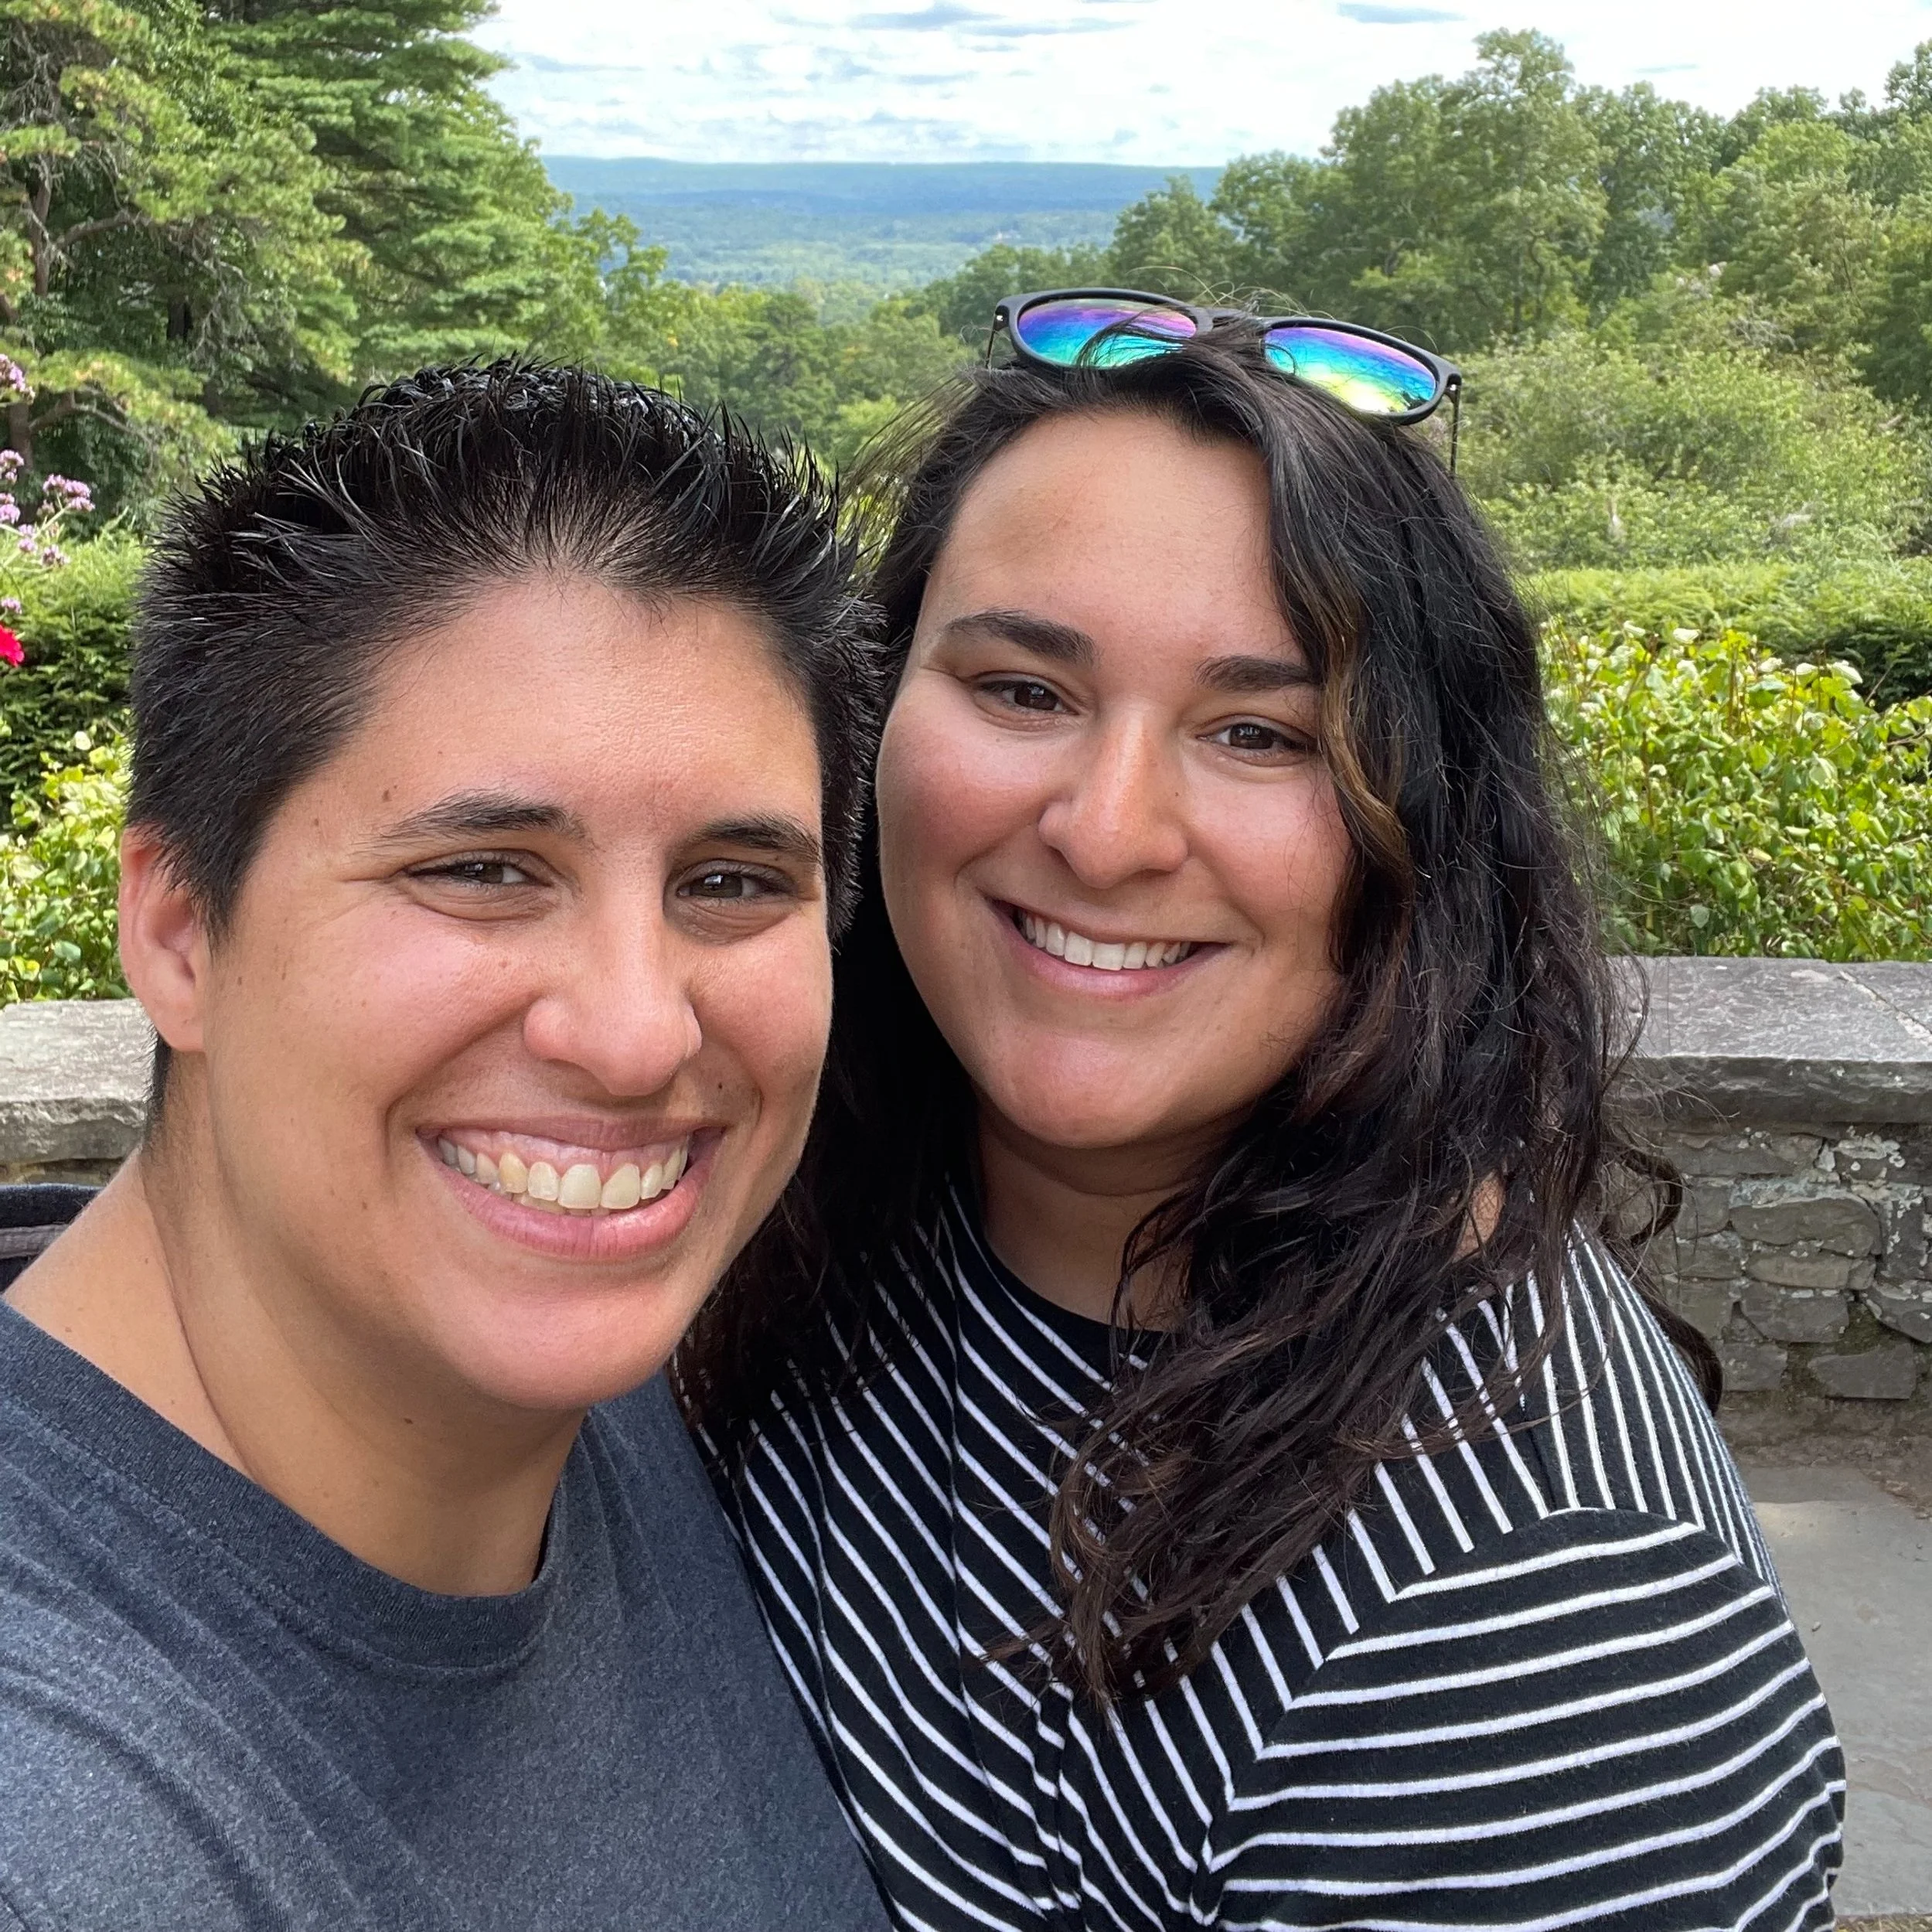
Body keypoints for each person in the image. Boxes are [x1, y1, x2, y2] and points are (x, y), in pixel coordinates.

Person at [683, 299, 1846, 1930]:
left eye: (1257, 733)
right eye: (1023, 689)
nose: (1105, 831)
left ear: (1422, 824)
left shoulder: (1526, 1634)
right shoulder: (825, 1192)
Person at [0, 363, 888, 1931]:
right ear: (181, 928)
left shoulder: (597, 1400)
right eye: (485, 868)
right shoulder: (65, 1835)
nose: (636, 1033)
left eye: (732, 883)